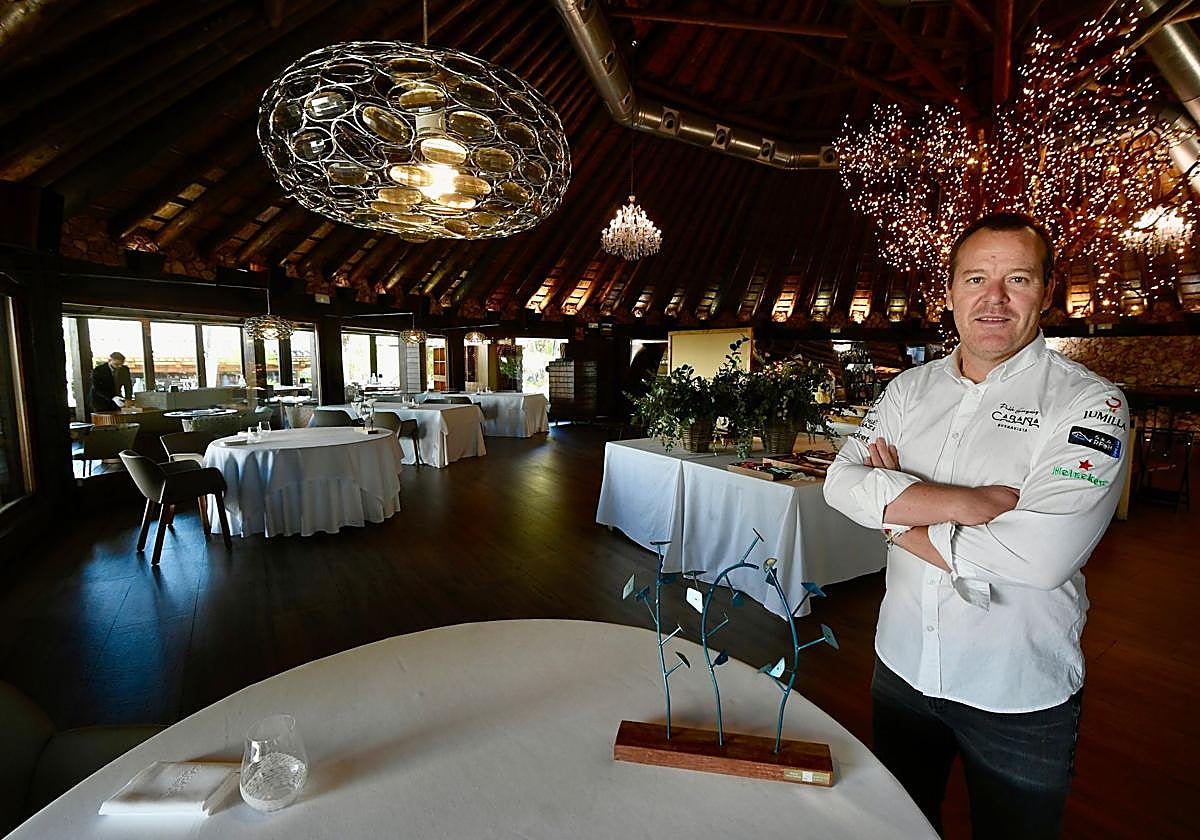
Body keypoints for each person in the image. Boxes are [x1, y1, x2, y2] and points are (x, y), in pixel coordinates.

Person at [823, 212, 1129, 839]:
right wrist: (965, 504)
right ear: (951, 291)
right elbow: (838, 482)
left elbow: (1037, 559)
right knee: (900, 827)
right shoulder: (908, 389)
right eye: (975, 279)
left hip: (1017, 687)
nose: (994, 298)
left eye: (1016, 278)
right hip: (902, 666)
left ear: (1045, 293)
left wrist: (895, 518)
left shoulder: (1091, 403)